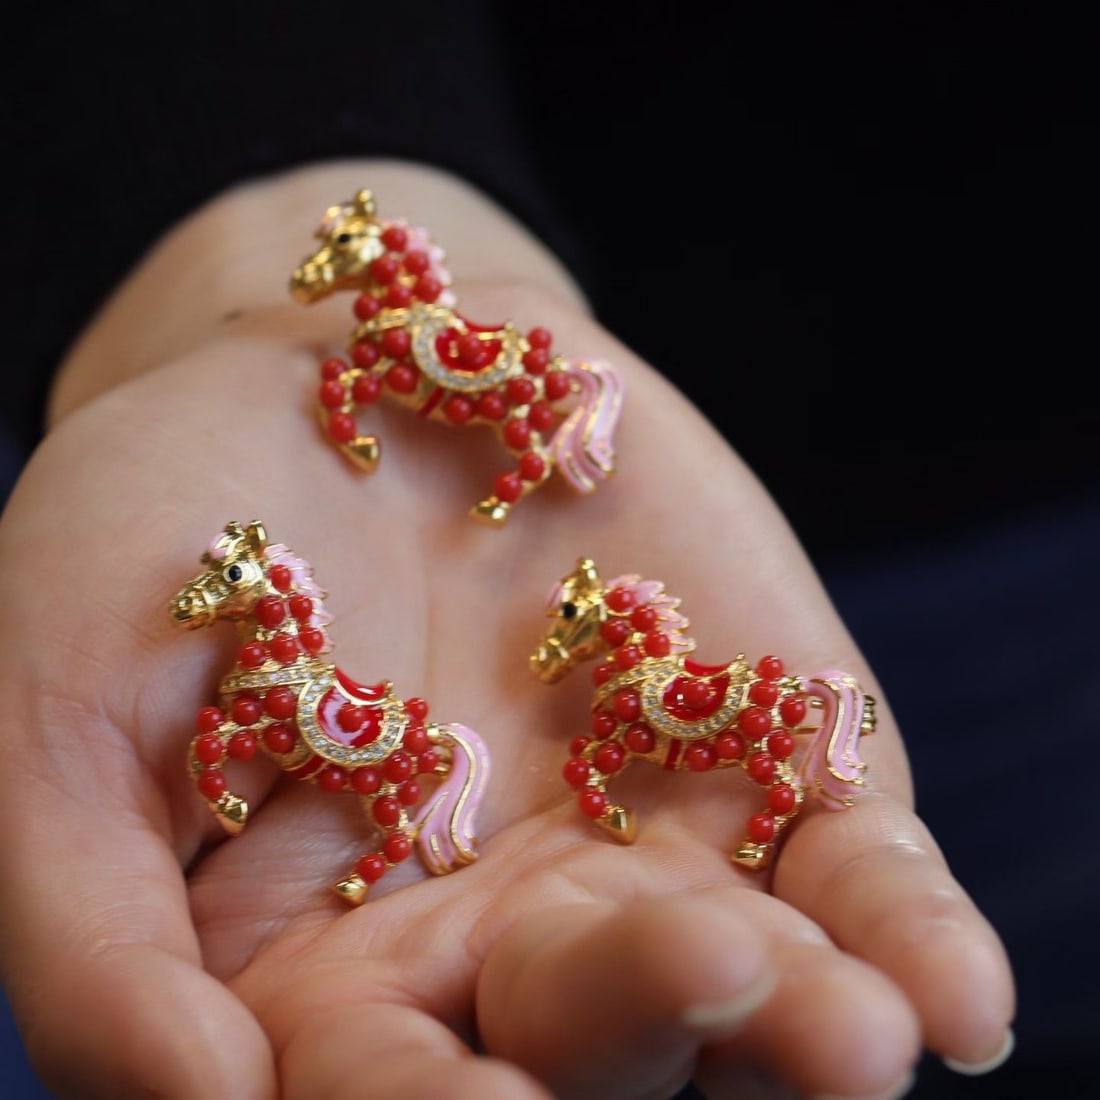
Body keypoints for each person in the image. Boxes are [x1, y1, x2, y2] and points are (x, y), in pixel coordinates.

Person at [0, 157, 1015, 1100]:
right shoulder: (292, 594)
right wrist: (188, 292)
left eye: (575, 630)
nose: (558, 650)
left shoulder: (621, 675)